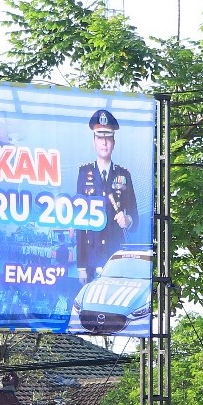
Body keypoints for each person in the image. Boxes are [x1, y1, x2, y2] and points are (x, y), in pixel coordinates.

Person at [74, 108, 138, 280]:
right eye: (100, 138)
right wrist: (81, 266)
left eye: (108, 138)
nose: (104, 143)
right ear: (94, 141)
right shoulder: (84, 173)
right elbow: (79, 222)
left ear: (114, 142)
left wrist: (128, 220)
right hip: (91, 258)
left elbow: (135, 219)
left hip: (116, 257)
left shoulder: (124, 175)